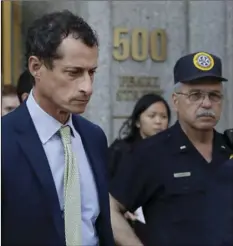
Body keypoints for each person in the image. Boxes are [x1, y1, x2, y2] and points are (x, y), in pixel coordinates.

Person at [2, 10, 114, 246]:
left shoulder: (94, 138)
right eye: (74, 73)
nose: (88, 87)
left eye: (91, 73)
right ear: (36, 67)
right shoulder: (5, 140)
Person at [109, 51, 233, 246]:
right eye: (196, 95)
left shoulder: (229, 149)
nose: (207, 103)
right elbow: (110, 208)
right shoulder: (151, 153)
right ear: (176, 101)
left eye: (214, 95)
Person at [108, 93, 171, 179]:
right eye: (152, 116)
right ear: (137, 122)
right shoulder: (120, 151)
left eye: (163, 117)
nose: (158, 121)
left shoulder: (173, 152)